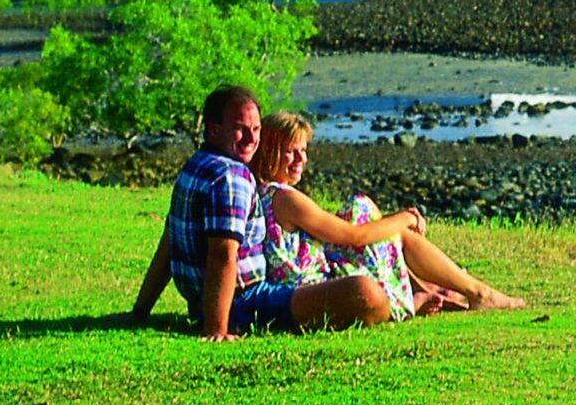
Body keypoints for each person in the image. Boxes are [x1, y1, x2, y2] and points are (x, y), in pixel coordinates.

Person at [129, 85, 389, 339]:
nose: (252, 139)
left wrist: (140, 311)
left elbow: (169, 241)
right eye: (240, 130)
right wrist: (217, 330)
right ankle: (408, 303)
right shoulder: (232, 176)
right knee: (366, 293)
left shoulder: (195, 166)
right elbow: (222, 253)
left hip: (203, 305)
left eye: (256, 129)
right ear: (213, 129)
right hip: (245, 304)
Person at [249, 112, 525, 315]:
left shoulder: (267, 194)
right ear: (271, 153)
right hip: (316, 284)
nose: (302, 160)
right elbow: (354, 237)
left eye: (304, 151)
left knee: (361, 207)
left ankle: (428, 289)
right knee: (392, 230)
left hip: (315, 273)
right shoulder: (284, 198)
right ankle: (476, 292)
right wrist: (405, 217)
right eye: (291, 152)